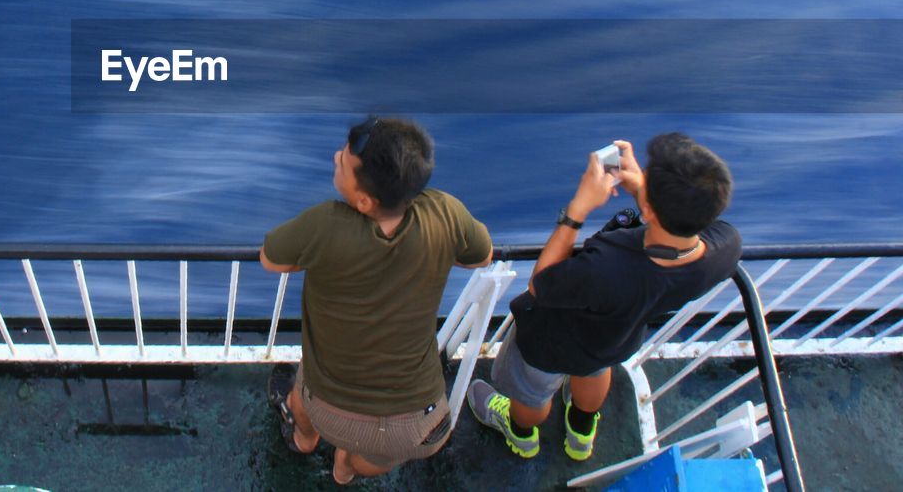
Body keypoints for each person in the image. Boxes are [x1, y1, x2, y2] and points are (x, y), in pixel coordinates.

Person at [467, 133, 741, 461]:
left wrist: (577, 209)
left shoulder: (606, 269)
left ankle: (522, 436)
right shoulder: (726, 248)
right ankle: (581, 433)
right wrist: (643, 189)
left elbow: (541, 284)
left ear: (650, 210)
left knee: (530, 396)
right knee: (593, 371)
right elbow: (677, 232)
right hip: (616, 340)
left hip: (550, 345)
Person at [261, 117, 493, 485]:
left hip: (330, 409)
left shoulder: (324, 224)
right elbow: (480, 256)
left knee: (306, 387)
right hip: (418, 423)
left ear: (363, 200)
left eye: (343, 162)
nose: (337, 157)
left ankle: (304, 438)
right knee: (379, 455)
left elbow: (271, 258)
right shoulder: (446, 213)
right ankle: (345, 469)